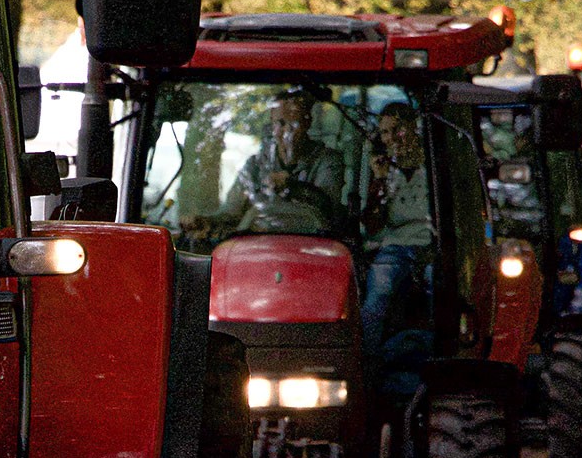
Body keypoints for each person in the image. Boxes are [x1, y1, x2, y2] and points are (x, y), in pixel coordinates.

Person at [185, 91, 345, 239]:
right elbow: (231, 212)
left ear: (307, 123)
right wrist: (208, 221)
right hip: (259, 247)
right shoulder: (255, 166)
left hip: (313, 247)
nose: (287, 132)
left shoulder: (327, 161)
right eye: (280, 124)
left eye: (294, 124)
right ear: (272, 125)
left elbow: (328, 209)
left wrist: (294, 187)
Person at [360, 102, 433, 368]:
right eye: (385, 133)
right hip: (396, 244)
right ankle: (367, 360)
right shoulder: (383, 171)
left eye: (396, 130)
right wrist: (379, 182)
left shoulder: (433, 163)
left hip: (432, 243)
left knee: (438, 282)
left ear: (413, 128)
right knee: (379, 289)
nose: (391, 139)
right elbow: (372, 225)